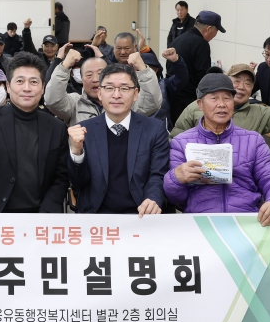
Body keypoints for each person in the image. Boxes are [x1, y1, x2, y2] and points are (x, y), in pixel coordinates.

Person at [164, 73, 270, 309]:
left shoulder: (253, 140)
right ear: (200, 104)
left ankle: (254, 320)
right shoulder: (182, 143)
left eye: (227, 98)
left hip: (246, 225)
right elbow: (177, 199)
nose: (222, 104)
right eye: (213, 98)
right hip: (203, 226)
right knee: (194, 282)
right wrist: (176, 177)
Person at [0, 52, 69, 213]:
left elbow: (61, 177)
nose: (26, 88)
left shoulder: (57, 127)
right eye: (20, 81)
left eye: (33, 82)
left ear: (43, 88)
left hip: (41, 214)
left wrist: (46, 213)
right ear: (8, 86)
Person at [67, 63, 169, 214]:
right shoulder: (84, 130)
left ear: (135, 94)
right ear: (100, 93)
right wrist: (76, 152)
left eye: (124, 88)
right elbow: (78, 183)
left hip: (140, 214)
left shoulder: (154, 129)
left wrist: (153, 198)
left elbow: (158, 174)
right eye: (109, 88)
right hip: (96, 216)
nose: (116, 95)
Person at [170, 62, 270, 138]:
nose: (242, 87)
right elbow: (176, 140)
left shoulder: (259, 113)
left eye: (248, 83)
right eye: (236, 81)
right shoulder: (198, 107)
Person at [46, 42, 162, 127]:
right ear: (81, 79)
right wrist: (65, 65)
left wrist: (142, 69)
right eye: (89, 75)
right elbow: (52, 100)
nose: (95, 79)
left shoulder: (123, 100)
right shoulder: (75, 103)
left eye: (100, 73)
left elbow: (152, 102)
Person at [167, 10, 224, 124]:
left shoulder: (178, 39)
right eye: (216, 31)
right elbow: (203, 77)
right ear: (208, 29)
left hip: (172, 97)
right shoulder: (201, 44)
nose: (215, 35)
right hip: (188, 101)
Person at [142, 48, 189, 130]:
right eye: (143, 68)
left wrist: (176, 61)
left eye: (150, 68)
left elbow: (181, 79)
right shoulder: (131, 86)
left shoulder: (164, 84)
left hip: (161, 131)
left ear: (156, 70)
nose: (147, 71)